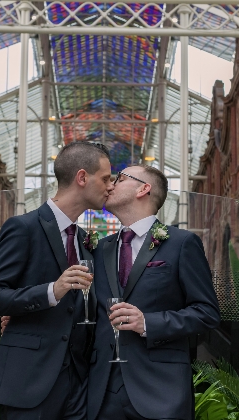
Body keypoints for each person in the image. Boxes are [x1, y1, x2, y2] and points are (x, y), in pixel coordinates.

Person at [0, 141, 113, 420]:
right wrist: (51, 291)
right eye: (105, 179)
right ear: (81, 178)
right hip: (30, 380)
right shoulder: (23, 227)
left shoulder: (85, 241)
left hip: (77, 383)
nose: (110, 186)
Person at [88, 164, 220, 420]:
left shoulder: (182, 243)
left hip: (161, 391)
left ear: (144, 188)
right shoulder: (98, 249)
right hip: (101, 392)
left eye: (120, 179)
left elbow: (207, 313)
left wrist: (147, 322)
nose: (111, 185)